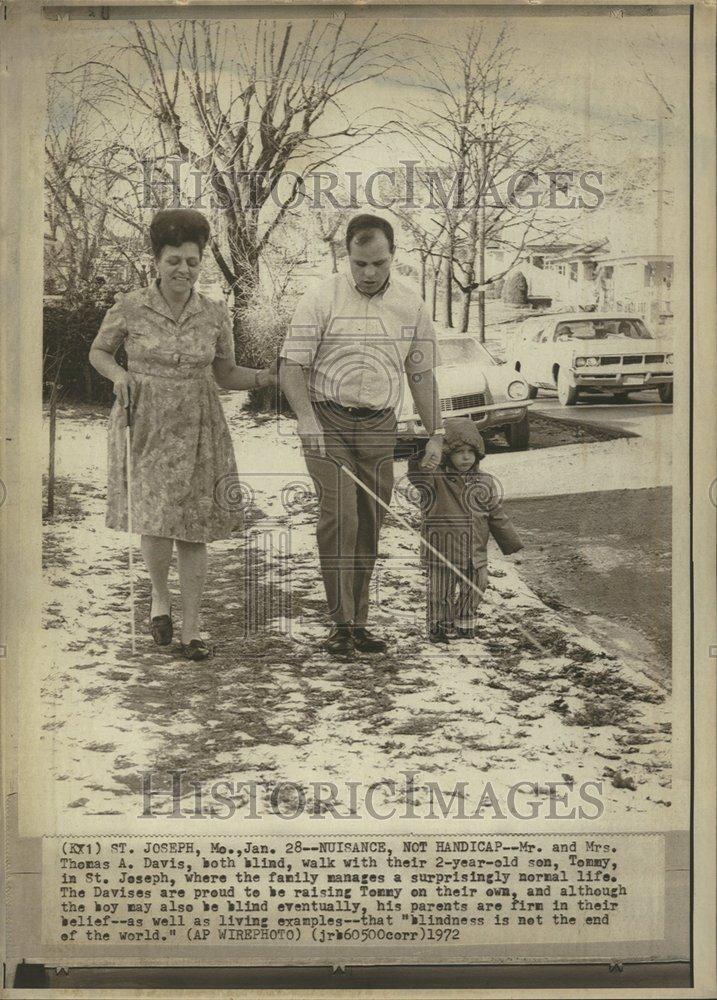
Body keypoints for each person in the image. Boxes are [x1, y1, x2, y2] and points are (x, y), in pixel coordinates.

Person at [89, 208, 275, 660]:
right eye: (174, 260)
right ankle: (159, 598)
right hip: (146, 423)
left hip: (199, 427)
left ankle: (192, 630)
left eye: (192, 261)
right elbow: (98, 352)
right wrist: (118, 375)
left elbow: (226, 373)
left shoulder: (214, 313)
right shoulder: (129, 307)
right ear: (156, 259)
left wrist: (269, 377)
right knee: (155, 520)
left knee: (195, 530)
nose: (184, 270)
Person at [279, 214, 445, 658]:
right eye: (359, 264)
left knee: (370, 522)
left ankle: (359, 622)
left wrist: (437, 434)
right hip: (327, 422)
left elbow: (422, 375)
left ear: (393, 256)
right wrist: (306, 419)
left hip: (379, 425)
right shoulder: (320, 297)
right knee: (341, 518)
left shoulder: (412, 304)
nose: (369, 274)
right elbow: (291, 366)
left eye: (378, 263)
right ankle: (339, 624)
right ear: (345, 257)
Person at [407, 418, 523, 644]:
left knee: (477, 588)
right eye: (459, 451)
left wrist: (512, 544)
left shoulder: (485, 482)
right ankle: (439, 628)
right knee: (440, 594)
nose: (466, 457)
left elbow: (496, 515)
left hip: (474, 553)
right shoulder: (434, 480)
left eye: (471, 452)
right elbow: (417, 473)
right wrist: (428, 452)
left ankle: (464, 624)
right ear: (447, 453)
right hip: (442, 551)